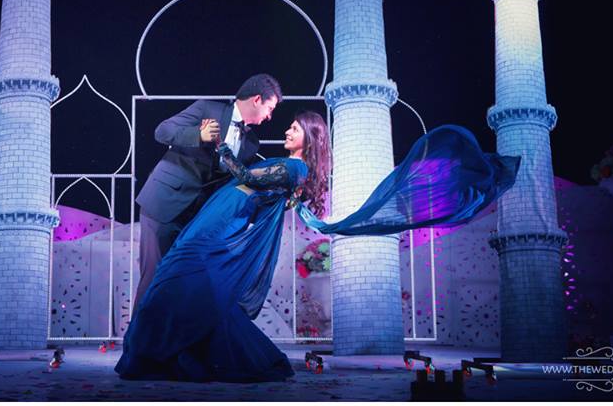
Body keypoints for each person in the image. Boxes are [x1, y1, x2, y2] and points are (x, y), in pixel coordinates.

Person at [115, 111, 521, 382]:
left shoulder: (296, 166)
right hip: (218, 215)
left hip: (222, 223)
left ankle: (165, 355)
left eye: (294, 127)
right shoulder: (288, 164)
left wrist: (222, 150)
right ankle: (174, 354)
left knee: (174, 282)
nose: (287, 130)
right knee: (178, 284)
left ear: (307, 138)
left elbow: (246, 177)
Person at [133, 73, 282, 311]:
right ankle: (137, 345)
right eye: (270, 108)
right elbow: (162, 131)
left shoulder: (252, 144)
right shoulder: (206, 108)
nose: (270, 116)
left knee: (183, 281)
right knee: (154, 277)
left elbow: (237, 182)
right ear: (257, 99)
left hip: (197, 219)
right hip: (163, 204)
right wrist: (197, 135)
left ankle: (171, 345)